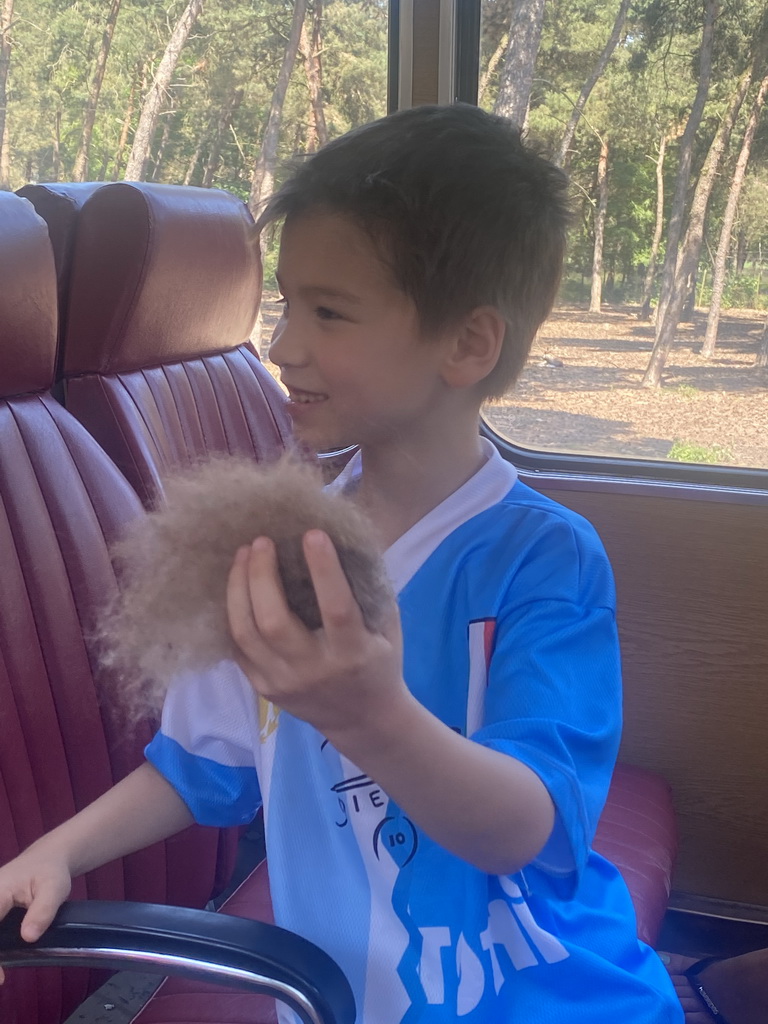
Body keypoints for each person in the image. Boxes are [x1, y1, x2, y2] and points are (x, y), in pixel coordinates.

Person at [0, 103, 682, 1022]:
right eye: (285, 302)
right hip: (333, 996)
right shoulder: (277, 547)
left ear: (467, 343)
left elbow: (531, 831)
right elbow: (200, 766)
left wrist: (371, 714)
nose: (283, 345)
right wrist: (60, 850)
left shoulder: (543, 559)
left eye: (329, 311)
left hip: (546, 994)